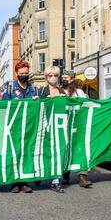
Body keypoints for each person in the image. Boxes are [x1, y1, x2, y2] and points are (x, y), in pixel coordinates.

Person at [2, 60, 40, 194]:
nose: (24, 75)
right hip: (14, 126)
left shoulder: (34, 89)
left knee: (26, 153)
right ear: (16, 73)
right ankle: (14, 182)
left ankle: (24, 182)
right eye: (21, 73)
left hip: (29, 126)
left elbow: (41, 106)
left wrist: (37, 101)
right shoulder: (10, 88)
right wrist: (12, 103)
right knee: (14, 153)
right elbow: (3, 105)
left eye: (26, 73)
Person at [60, 70, 93, 189]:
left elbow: (85, 106)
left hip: (77, 125)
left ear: (72, 79)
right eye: (62, 77)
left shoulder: (79, 92)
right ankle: (65, 175)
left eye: (66, 77)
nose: (64, 79)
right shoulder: (59, 91)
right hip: (64, 125)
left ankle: (82, 177)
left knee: (80, 149)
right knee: (65, 148)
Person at [40, 66, 67, 194]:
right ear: (46, 77)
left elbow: (69, 107)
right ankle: (40, 175)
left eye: (55, 75)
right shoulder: (42, 91)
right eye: (50, 75)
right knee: (46, 152)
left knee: (58, 152)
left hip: (60, 128)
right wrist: (45, 101)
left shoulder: (62, 91)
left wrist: (64, 100)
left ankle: (55, 181)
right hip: (46, 128)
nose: (53, 78)